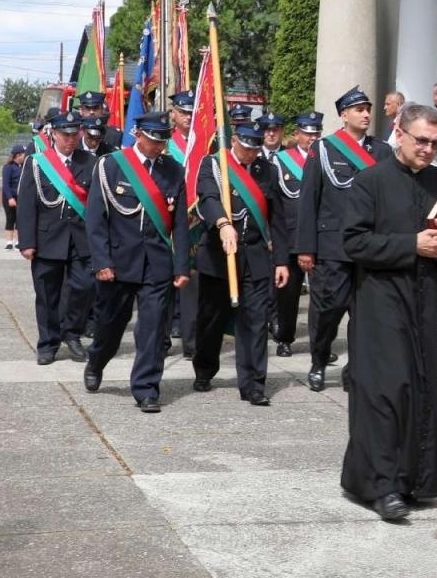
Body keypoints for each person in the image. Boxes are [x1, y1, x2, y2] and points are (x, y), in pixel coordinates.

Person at [341, 102, 437, 520]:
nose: (429, 150)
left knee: (421, 387)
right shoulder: (370, 181)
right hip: (380, 302)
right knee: (385, 392)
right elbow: (354, 243)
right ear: (400, 133)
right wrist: (409, 244)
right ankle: (381, 487)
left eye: (436, 143)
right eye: (422, 141)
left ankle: (417, 479)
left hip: (424, 300)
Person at [83, 112, 191, 412]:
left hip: (157, 265)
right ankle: (97, 360)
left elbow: (179, 224)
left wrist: (181, 265)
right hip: (118, 263)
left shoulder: (173, 170)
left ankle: (146, 389)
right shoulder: (112, 166)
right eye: (154, 140)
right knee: (110, 326)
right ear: (138, 135)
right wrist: (102, 261)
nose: (159, 146)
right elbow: (96, 219)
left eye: (163, 140)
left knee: (155, 329)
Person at [193, 124, 287, 402]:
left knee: (255, 321)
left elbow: (277, 218)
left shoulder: (266, 170)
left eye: (256, 147)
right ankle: (205, 369)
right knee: (211, 318)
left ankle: (254, 383)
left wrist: (281, 260)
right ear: (233, 140)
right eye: (246, 147)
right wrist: (222, 224)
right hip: (219, 257)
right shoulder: (213, 164)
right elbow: (207, 197)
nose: (251, 153)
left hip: (255, 256)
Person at [296, 87, 378, 391]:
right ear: (344, 115)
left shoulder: (380, 151)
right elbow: (308, 200)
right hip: (332, 247)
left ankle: (354, 369)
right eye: (359, 109)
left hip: (369, 248)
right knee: (328, 310)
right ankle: (318, 361)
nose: (366, 114)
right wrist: (306, 247)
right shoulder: (324, 149)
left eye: (368, 109)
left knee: (365, 314)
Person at [16, 113, 96, 365]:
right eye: (65, 135)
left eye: (75, 134)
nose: (70, 140)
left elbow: (96, 205)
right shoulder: (37, 163)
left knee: (83, 288)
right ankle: (48, 342)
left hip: (81, 239)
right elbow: (26, 204)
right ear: (54, 134)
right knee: (47, 294)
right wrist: (26, 242)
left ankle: (71, 333)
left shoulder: (91, 162)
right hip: (48, 238)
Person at [271, 111, 322, 357]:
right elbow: (274, 202)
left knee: (321, 296)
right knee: (288, 294)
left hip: (318, 237)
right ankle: (285, 339)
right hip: (290, 236)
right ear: (297, 134)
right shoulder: (281, 161)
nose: (311, 138)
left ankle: (319, 343)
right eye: (307, 133)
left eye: (315, 133)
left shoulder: (324, 160)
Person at [167, 90, 199, 361]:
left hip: (197, 221)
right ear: (173, 114)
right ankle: (162, 336)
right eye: (184, 112)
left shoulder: (206, 143)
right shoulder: (166, 145)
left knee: (191, 282)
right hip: (166, 220)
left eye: (192, 112)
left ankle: (192, 341)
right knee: (163, 282)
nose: (188, 117)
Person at [2, 144, 26, 250]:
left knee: (20, 219)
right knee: (10, 218)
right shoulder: (8, 167)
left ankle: (18, 241)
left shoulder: (25, 166)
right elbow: (5, 184)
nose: (25, 156)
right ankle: (9, 242)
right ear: (18, 155)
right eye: (23, 154)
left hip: (21, 196)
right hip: (10, 196)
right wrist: (10, 198)